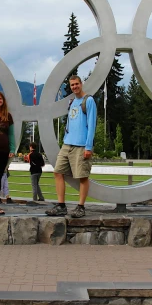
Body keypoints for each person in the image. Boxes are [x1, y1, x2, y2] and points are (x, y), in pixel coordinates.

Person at [46, 75, 97, 218]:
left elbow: (92, 125)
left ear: (81, 84)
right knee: (58, 172)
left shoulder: (89, 100)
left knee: (82, 176)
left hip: (81, 145)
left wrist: (88, 147)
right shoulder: (72, 102)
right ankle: (61, 206)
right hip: (67, 143)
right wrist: (65, 138)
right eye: (72, 85)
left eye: (76, 84)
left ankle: (81, 207)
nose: (74, 87)